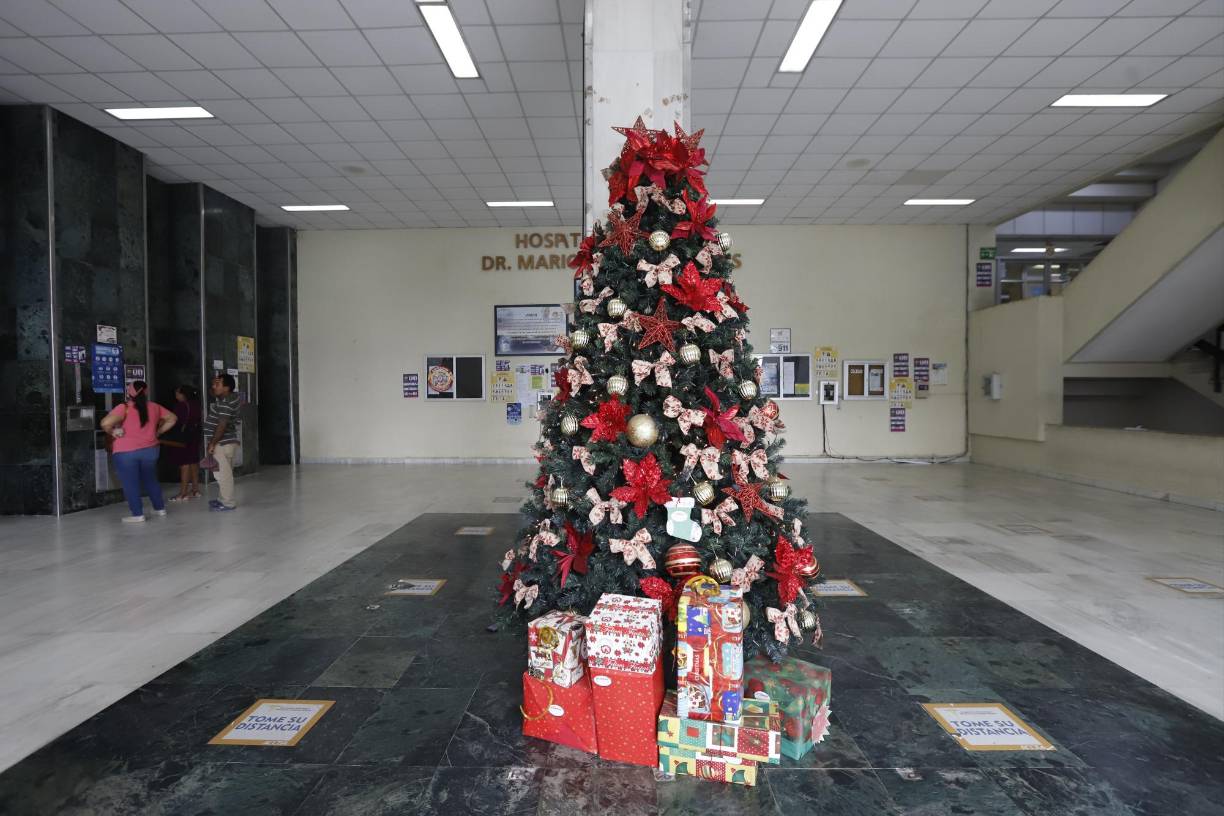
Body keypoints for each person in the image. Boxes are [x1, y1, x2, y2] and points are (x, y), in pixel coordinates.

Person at [100, 380, 177, 523]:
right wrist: (158, 431)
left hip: (126, 452)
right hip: (150, 450)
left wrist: (113, 431)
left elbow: (105, 423)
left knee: (131, 483)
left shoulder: (123, 408)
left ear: (128, 393)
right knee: (151, 480)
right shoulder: (154, 407)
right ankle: (159, 509)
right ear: (146, 391)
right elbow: (172, 419)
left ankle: (137, 514)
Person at [203, 373, 241, 512]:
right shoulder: (229, 398)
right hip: (227, 442)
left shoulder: (225, 403)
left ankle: (228, 502)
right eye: (213, 383)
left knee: (223, 475)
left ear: (227, 387)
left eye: (217, 384)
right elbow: (213, 392)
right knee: (224, 472)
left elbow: (222, 425)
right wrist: (215, 383)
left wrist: (212, 443)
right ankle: (222, 499)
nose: (213, 386)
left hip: (222, 443)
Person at [165, 384, 202, 502]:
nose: (176, 395)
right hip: (194, 435)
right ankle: (195, 490)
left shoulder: (180, 406)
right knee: (193, 461)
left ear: (183, 394)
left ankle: (183, 493)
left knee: (184, 463)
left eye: (177, 393)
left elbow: (174, 421)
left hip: (183, 437)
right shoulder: (196, 404)